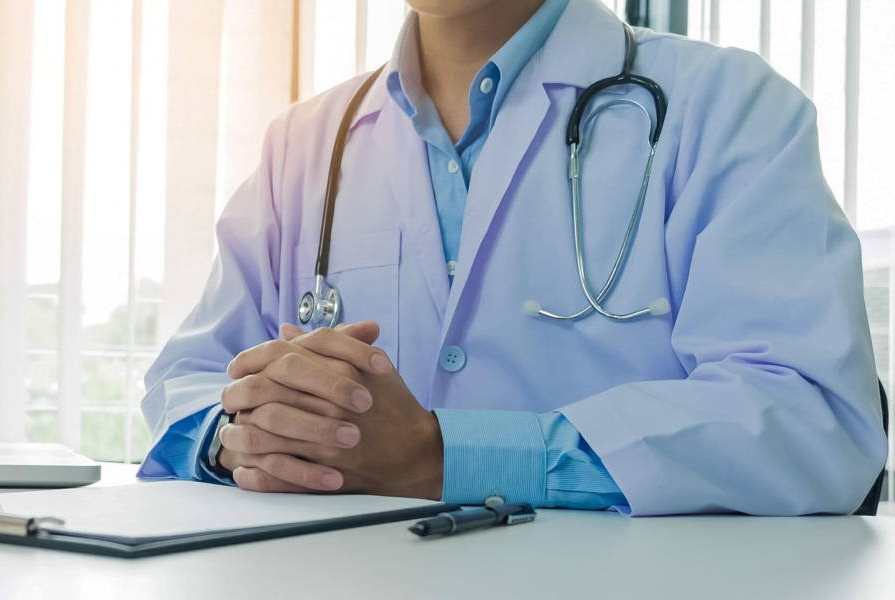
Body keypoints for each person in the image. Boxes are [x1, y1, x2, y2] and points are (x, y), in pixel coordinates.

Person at [137, 0, 888, 515]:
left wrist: (448, 457)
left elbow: (810, 417)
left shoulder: (727, 106)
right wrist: (245, 438)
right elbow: (188, 381)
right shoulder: (307, 143)